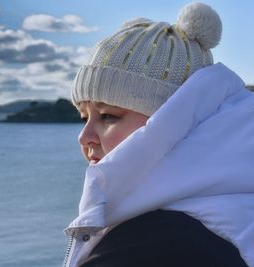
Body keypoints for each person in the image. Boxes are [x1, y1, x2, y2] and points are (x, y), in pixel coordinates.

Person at [63, 2, 254, 267]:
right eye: (84, 117)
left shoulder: (149, 246)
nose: (84, 138)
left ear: (172, 120)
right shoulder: (234, 212)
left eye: (109, 116)